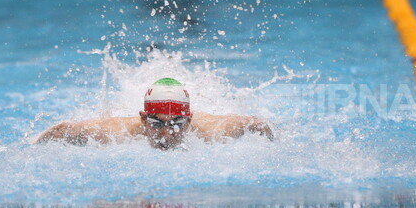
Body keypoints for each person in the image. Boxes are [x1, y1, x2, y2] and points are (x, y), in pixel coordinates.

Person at [36, 78, 274, 149]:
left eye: (177, 123)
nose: (167, 134)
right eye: (156, 123)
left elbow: (257, 124)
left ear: (189, 120)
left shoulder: (213, 132)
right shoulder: (117, 132)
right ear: (142, 118)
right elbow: (62, 130)